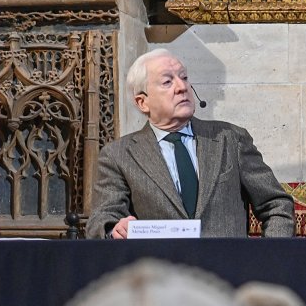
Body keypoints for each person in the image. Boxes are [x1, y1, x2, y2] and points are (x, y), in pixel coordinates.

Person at [86, 50, 295, 239]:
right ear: (143, 102)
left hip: (230, 274)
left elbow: (276, 205)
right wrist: (115, 231)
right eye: (167, 82)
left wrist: (270, 259)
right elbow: (102, 220)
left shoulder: (230, 138)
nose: (182, 87)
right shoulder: (119, 155)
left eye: (184, 77)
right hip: (161, 276)